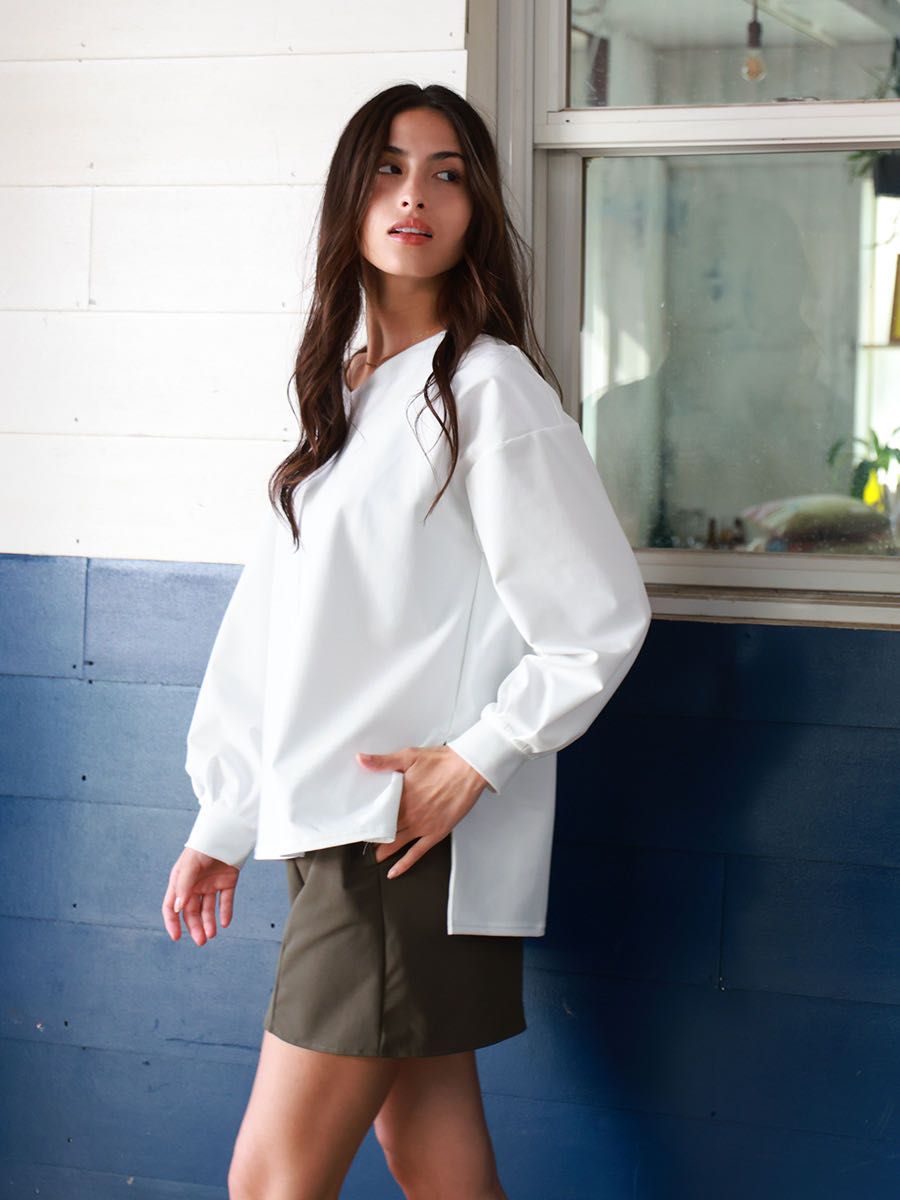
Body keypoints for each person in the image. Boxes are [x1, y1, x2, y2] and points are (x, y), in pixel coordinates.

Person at [161, 82, 652, 1200]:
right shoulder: (350, 392)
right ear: (351, 198)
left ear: (476, 210)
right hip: (335, 828)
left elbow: (598, 620)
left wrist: (480, 755)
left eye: (447, 173)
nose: (415, 195)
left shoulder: (488, 389)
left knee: (270, 1181)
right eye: (388, 168)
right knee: (426, 1144)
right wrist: (227, 816)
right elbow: (275, 627)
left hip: (392, 844)